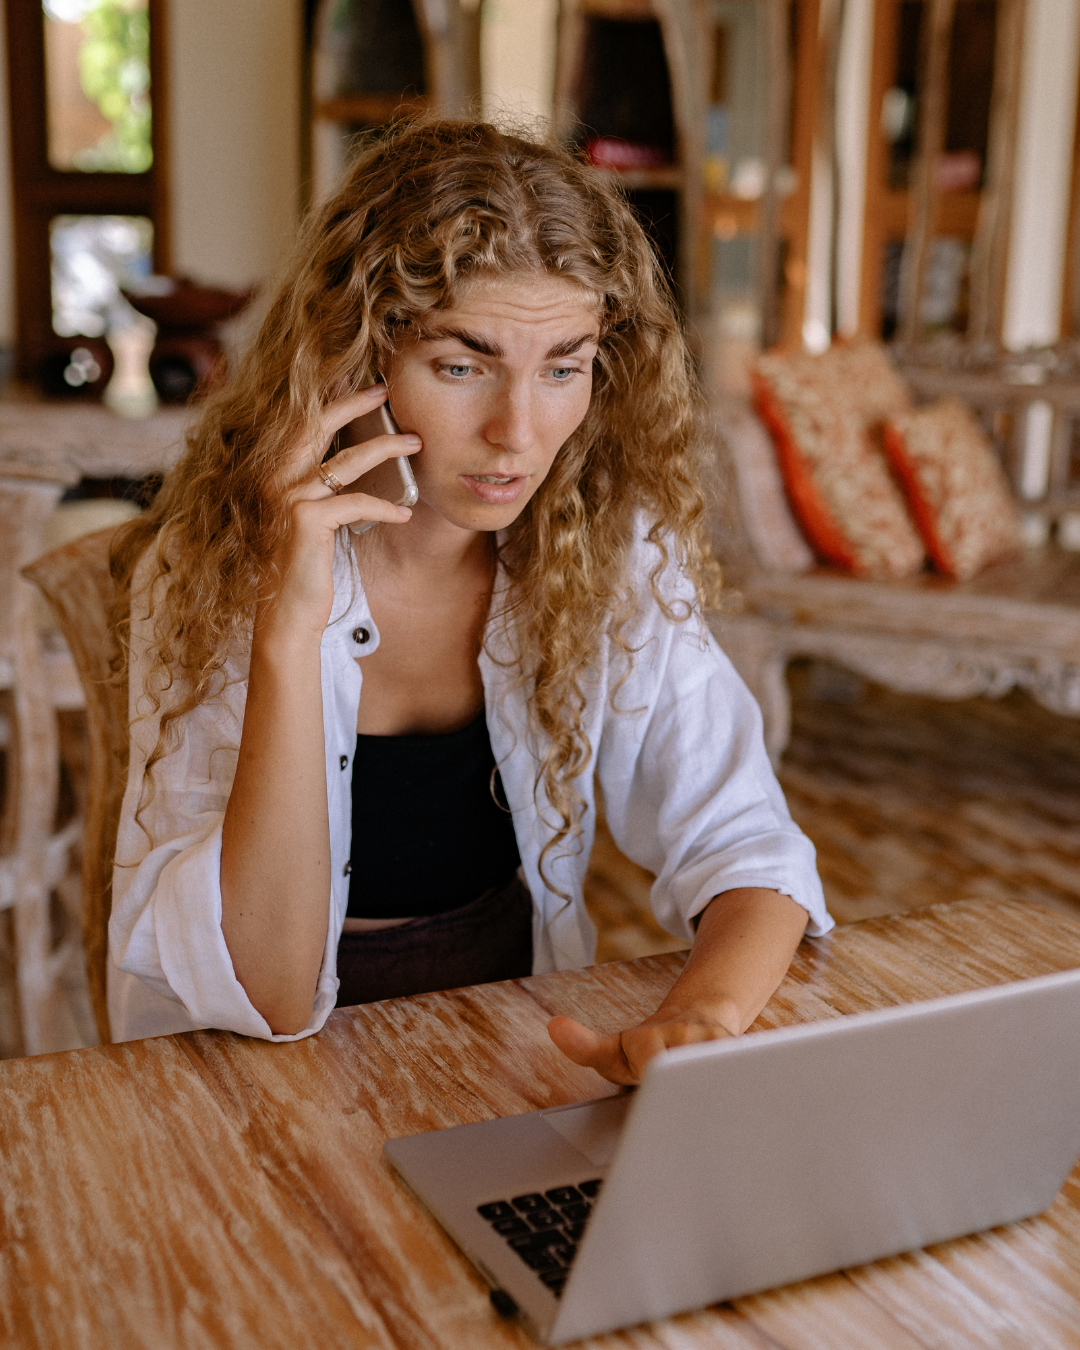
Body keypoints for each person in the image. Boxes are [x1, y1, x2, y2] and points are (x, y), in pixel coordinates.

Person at [108, 119, 831, 1083]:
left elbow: (744, 839)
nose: (518, 435)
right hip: (241, 1076)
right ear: (353, 354)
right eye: (462, 365)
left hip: (507, 1045)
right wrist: (291, 621)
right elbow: (272, 993)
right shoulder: (212, 565)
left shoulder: (604, 544)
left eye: (564, 366)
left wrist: (702, 1018)